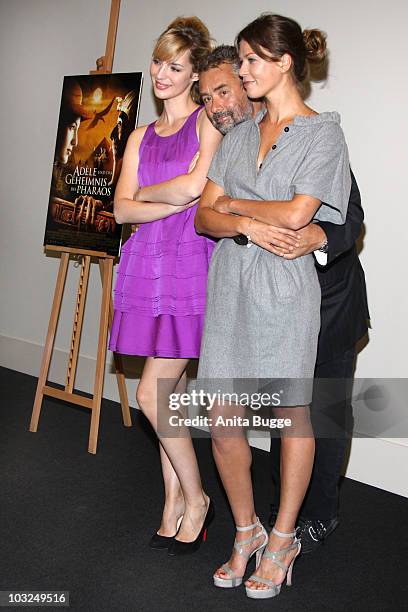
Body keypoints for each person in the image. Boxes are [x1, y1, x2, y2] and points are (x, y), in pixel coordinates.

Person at [195, 13, 352, 599]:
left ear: (285, 62)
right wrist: (244, 224)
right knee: (223, 418)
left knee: (292, 418)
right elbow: (203, 218)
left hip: (287, 289)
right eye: (240, 60)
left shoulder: (323, 133)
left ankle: (283, 538)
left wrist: (234, 206)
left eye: (252, 60)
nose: (242, 71)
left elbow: (296, 216)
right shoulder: (236, 136)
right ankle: (246, 530)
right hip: (231, 281)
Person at [109, 17, 221, 555]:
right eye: (158, 61)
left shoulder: (208, 124)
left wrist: (160, 196)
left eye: (175, 66)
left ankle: (197, 500)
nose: (161, 73)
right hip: (144, 269)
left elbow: (198, 190)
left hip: (188, 271)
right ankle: (171, 504)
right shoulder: (137, 135)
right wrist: (169, 193)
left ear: (195, 73)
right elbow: (120, 208)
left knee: (152, 395)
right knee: (169, 398)